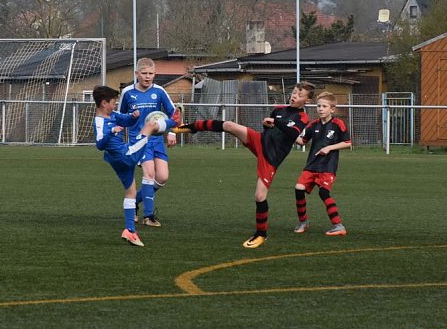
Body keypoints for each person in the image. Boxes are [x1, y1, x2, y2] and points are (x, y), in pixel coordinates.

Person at [176, 81, 315, 248]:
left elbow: (292, 133)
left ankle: (261, 235)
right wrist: (267, 125)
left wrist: (275, 123)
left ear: (307, 101)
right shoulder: (279, 109)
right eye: (294, 92)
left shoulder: (303, 117)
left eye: (300, 95)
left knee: (259, 196)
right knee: (229, 125)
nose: (294, 96)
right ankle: (190, 127)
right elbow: (270, 130)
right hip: (260, 141)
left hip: (271, 157)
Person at [93, 85, 163, 248]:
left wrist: (133, 117)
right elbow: (100, 144)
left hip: (118, 159)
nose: (115, 106)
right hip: (125, 155)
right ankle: (176, 124)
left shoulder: (113, 115)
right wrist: (112, 131)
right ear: (104, 103)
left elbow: (127, 120)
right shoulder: (99, 121)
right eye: (113, 103)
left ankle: (130, 231)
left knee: (131, 192)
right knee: (150, 126)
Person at [119, 58, 179, 227]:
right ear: (137, 74)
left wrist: (172, 132)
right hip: (138, 140)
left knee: (162, 177)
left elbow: (175, 114)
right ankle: (149, 216)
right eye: (144, 73)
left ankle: (134, 202)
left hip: (157, 140)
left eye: (151, 73)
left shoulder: (159, 91)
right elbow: (120, 118)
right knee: (149, 174)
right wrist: (119, 137)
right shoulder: (128, 93)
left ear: (155, 74)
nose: (147, 77)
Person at [293, 92, 352, 237]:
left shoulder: (338, 124)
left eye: (324, 106)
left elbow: (348, 143)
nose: (320, 109)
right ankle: (303, 222)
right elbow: (302, 141)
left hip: (327, 166)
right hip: (312, 165)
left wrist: (329, 148)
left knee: (323, 192)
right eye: (318, 106)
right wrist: (288, 133)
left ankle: (338, 225)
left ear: (332, 109)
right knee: (299, 188)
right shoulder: (314, 124)